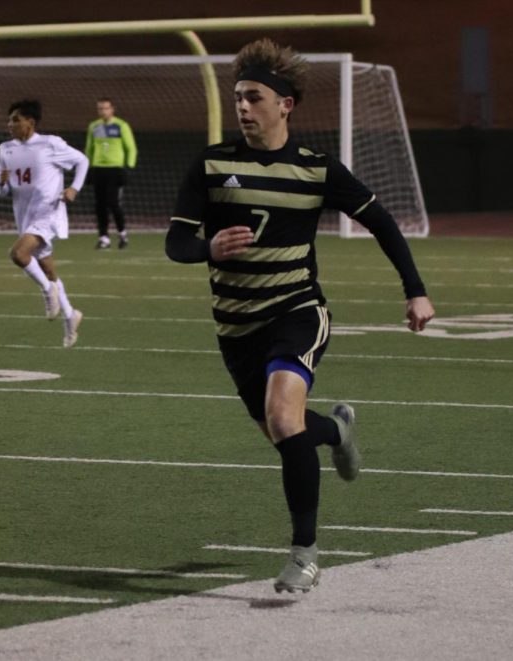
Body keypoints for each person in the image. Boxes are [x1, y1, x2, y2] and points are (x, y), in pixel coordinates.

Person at [165, 39, 435, 593]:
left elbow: (382, 222)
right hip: (236, 327)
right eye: (238, 96)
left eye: (254, 97)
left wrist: (415, 291)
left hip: (298, 310)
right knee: (287, 432)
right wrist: (207, 249)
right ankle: (337, 431)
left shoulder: (316, 170)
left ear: (284, 104)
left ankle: (305, 554)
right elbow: (175, 243)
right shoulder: (213, 164)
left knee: (285, 419)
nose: (243, 107)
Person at [0, 99, 88, 348]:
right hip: (25, 216)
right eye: (10, 119)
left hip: (49, 213)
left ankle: (48, 292)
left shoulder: (50, 144)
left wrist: (73, 189)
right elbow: (1, 192)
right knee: (47, 269)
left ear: (30, 122)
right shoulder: (5, 149)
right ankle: (70, 315)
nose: (10, 124)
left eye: (15, 119)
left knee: (17, 254)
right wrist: (2, 182)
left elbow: (82, 161)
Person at [84, 98, 137, 249]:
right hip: (98, 169)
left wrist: (129, 167)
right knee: (100, 205)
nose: (103, 111)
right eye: (100, 109)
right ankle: (104, 237)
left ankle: (122, 234)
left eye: (106, 108)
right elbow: (89, 149)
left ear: (112, 109)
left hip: (115, 169)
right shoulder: (93, 126)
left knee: (114, 203)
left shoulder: (121, 125)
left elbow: (131, 148)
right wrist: (88, 167)